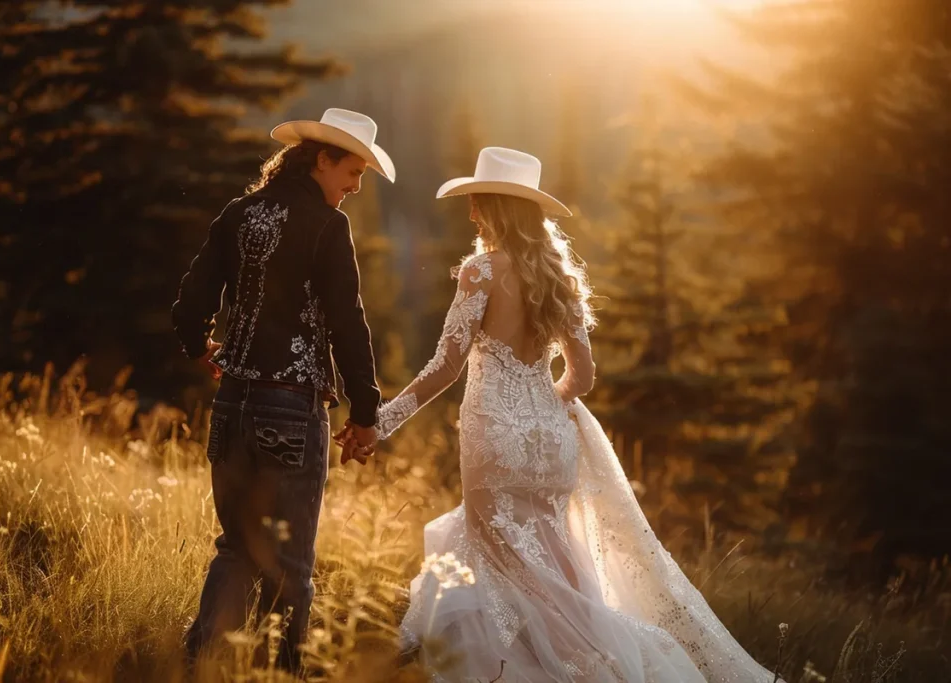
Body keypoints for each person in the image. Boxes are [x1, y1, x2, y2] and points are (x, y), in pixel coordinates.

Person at [338, 147, 781, 682]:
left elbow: (446, 366)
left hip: (495, 436)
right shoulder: (558, 278)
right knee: (555, 565)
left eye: (478, 202)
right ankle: (581, 659)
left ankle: (570, 668)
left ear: (497, 208)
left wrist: (381, 422)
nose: (472, 213)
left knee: (501, 561)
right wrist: (543, 403)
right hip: (551, 439)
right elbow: (582, 377)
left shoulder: (481, 271)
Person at [171, 108, 392, 672]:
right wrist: (365, 413)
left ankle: (199, 667)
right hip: (292, 407)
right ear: (321, 159)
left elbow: (192, 300)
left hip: (232, 402)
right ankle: (283, 673)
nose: (356, 186)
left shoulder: (238, 213)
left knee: (237, 548)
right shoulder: (326, 225)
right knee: (290, 560)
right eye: (352, 172)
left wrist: (201, 347)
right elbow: (347, 323)